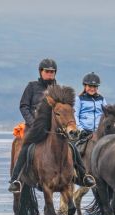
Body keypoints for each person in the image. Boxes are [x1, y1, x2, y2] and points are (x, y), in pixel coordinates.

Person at [8, 58, 95, 193]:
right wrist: (33, 122)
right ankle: (16, 180)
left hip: (55, 129)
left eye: (52, 72)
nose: (50, 74)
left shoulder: (58, 90)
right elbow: (24, 106)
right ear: (41, 72)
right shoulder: (31, 87)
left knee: (72, 147)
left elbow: (64, 110)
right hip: (35, 128)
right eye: (47, 71)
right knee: (25, 148)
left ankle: (83, 176)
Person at [74, 72, 107, 154]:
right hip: (84, 133)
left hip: (98, 132)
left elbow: (107, 114)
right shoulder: (79, 99)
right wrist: (80, 130)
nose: (92, 89)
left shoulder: (102, 99)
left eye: (95, 86)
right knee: (76, 151)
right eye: (90, 86)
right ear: (85, 86)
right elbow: (75, 115)